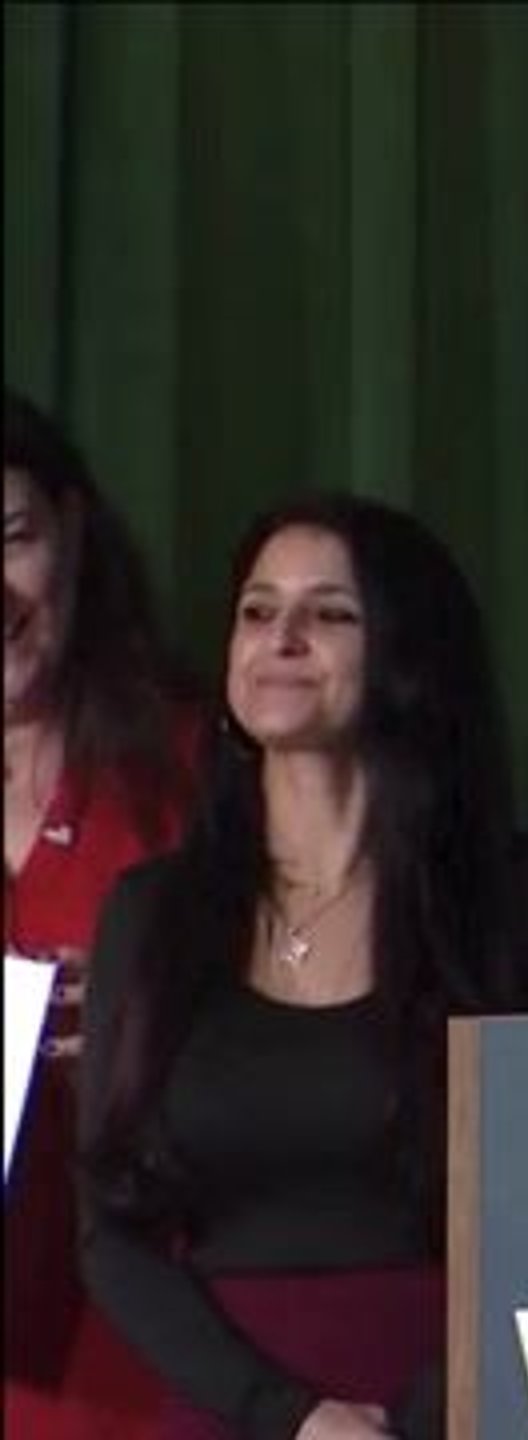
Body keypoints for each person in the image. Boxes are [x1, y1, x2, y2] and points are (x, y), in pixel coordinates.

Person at [79, 495, 528, 1439]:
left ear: (407, 654)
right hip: (231, 1409)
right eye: (257, 610)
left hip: (469, 1402)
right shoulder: (152, 912)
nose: (281, 637)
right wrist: (290, 1417)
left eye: (329, 613)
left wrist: (417, 1415)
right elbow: (109, 1233)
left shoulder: (522, 899)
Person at [4, 388, 196, 1437]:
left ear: (73, 533)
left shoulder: (197, 770)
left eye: (12, 539)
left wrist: (156, 1021)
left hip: (157, 1361)